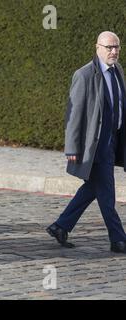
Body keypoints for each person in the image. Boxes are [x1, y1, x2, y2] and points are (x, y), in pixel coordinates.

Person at [47, 31, 126, 253]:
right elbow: (73, 115)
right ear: (97, 47)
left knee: (94, 187)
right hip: (95, 144)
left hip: (113, 140)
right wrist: (71, 148)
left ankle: (60, 226)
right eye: (109, 47)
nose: (114, 51)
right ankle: (118, 239)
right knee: (107, 192)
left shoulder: (118, 70)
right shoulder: (83, 75)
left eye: (117, 47)